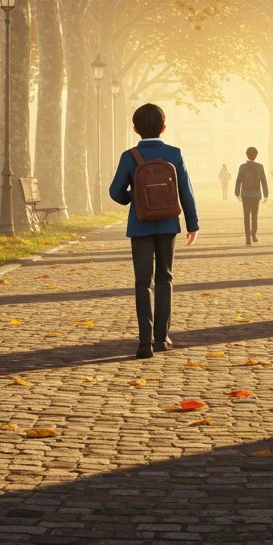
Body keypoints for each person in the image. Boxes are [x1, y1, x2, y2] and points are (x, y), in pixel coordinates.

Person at [110, 102, 199, 359]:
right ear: (163, 128)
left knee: (142, 282)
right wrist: (192, 224)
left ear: (135, 128)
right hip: (168, 224)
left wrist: (133, 199)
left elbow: (115, 192)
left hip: (139, 225)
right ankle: (162, 338)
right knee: (165, 278)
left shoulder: (129, 157)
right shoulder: (175, 153)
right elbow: (186, 191)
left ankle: (144, 342)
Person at [234, 146, 269, 245]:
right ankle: (253, 234)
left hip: (245, 194)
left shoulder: (242, 167)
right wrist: (266, 194)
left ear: (247, 155)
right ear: (256, 155)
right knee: (254, 215)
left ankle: (247, 238)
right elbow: (264, 180)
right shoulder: (260, 166)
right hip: (256, 194)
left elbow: (239, 180)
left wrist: (237, 193)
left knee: (246, 216)